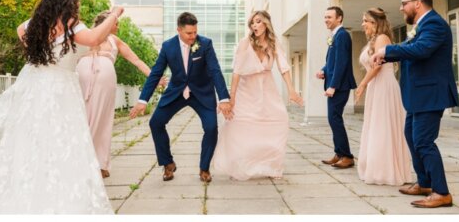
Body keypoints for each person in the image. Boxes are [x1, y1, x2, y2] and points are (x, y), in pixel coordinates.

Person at [0, 0, 119, 214]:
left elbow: (20, 31)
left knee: (32, 140)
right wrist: (114, 15)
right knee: (64, 141)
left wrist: (37, 51)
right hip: (61, 88)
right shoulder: (72, 26)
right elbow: (93, 39)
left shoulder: (36, 24)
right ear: (71, 2)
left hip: (34, 83)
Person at [371, 0, 458, 208]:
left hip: (430, 94)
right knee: (411, 135)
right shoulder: (423, 25)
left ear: (417, 3)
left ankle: (441, 192)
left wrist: (387, 51)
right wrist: (387, 56)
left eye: (404, 3)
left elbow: (420, 50)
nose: (401, 8)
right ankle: (425, 182)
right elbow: (409, 45)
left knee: (424, 141)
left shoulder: (435, 24)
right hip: (419, 95)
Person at [130, 12, 231, 183]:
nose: (193, 37)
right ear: (179, 30)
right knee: (156, 123)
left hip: (202, 93)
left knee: (212, 128)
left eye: (195, 32)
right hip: (176, 93)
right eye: (189, 33)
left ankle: (204, 168)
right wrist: (142, 100)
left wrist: (224, 98)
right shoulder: (168, 46)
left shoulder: (205, 44)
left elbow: (215, 70)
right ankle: (167, 163)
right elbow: (155, 74)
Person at [213, 10, 303, 180]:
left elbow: (283, 67)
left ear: (266, 24)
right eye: (252, 22)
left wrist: (291, 90)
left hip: (267, 89)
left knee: (279, 120)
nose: (254, 25)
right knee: (240, 123)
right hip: (246, 89)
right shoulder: (245, 43)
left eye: (258, 21)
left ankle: (269, 164)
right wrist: (232, 98)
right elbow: (237, 71)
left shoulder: (274, 43)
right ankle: (242, 163)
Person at [76, 10, 162, 178]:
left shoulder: (114, 40)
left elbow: (136, 60)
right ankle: (82, 160)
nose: (118, 26)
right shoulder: (86, 35)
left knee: (102, 119)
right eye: (116, 22)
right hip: (82, 78)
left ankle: (100, 163)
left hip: (104, 81)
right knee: (83, 117)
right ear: (108, 22)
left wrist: (154, 78)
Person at [355, 8, 412, 186]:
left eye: (365, 20)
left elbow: (378, 65)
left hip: (384, 86)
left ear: (374, 22)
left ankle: (385, 171)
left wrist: (363, 84)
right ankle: (376, 167)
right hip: (376, 86)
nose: (363, 24)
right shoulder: (373, 40)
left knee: (383, 126)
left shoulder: (382, 39)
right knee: (375, 126)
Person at [317, 6, 357, 169]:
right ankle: (339, 153)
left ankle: (347, 156)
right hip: (334, 84)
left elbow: (342, 63)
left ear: (339, 18)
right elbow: (332, 62)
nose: (326, 20)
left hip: (339, 86)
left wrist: (333, 85)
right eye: (325, 17)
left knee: (335, 119)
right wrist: (323, 70)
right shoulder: (335, 36)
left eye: (329, 17)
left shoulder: (342, 36)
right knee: (333, 119)